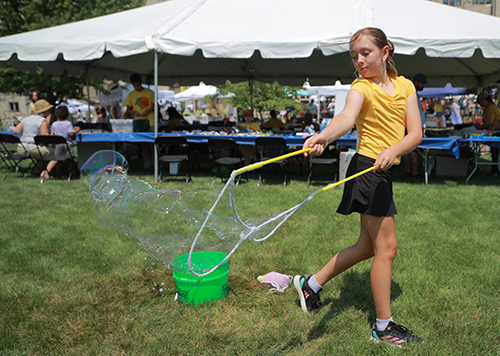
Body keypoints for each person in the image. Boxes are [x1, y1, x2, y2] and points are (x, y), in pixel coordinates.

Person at [294, 27, 424, 346]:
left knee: (368, 247)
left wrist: (393, 150)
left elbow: (415, 133)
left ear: (385, 51)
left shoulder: (405, 86)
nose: (360, 61)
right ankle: (383, 326)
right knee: (387, 248)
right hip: (367, 171)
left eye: (365, 53)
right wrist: (324, 136)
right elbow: (346, 118)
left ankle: (311, 284)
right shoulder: (359, 87)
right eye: (354, 56)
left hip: (383, 168)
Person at [13, 99, 54, 174]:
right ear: (45, 110)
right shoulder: (42, 120)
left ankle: (37, 170)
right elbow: (46, 138)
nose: (50, 111)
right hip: (33, 149)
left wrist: (28, 135)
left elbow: (16, 131)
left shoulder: (26, 119)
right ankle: (46, 172)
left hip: (22, 148)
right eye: (49, 109)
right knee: (56, 152)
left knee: (44, 150)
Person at [124, 73, 155, 170]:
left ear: (141, 82)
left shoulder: (150, 93)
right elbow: (128, 110)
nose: (136, 87)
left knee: (153, 145)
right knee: (144, 146)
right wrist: (134, 112)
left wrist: (148, 110)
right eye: (134, 86)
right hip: (139, 124)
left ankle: (155, 165)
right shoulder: (131, 95)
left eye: (138, 85)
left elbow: (156, 106)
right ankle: (148, 165)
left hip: (151, 122)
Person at [40, 106, 81, 180]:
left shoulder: (54, 124)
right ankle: (73, 174)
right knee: (70, 160)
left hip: (58, 144)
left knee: (58, 160)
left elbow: (52, 135)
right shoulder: (68, 123)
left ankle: (59, 174)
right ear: (67, 114)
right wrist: (76, 131)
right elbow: (70, 134)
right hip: (67, 144)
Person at [402, 73, 427, 177]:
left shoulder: (413, 94)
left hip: (409, 126)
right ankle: (414, 172)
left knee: (408, 150)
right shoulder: (410, 94)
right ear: (416, 82)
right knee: (412, 150)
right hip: (411, 127)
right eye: (422, 84)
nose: (424, 86)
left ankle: (408, 171)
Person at [475, 93, 500, 176]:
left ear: (484, 100)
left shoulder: (490, 108)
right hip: (494, 131)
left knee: (495, 152)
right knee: (495, 152)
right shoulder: (491, 106)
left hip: (495, 133)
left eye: (479, 102)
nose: (479, 104)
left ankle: (495, 171)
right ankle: (495, 170)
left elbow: (489, 123)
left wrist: (477, 129)